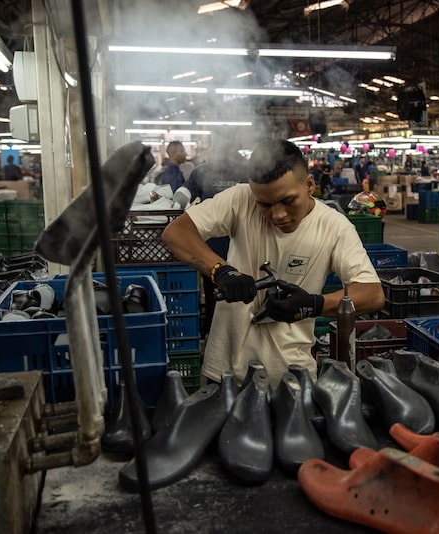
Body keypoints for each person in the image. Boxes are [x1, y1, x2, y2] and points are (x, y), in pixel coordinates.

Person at [162, 139, 384, 387]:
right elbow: (175, 233)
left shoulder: (335, 227)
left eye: (288, 201)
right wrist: (221, 271)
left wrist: (313, 305)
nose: (278, 215)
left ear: (309, 184)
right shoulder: (239, 199)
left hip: (290, 378)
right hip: (223, 374)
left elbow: (372, 294)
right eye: (265, 205)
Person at [184, 142, 249, 337]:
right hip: (237, 246)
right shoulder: (246, 171)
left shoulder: (202, 171)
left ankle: (215, 336)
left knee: (216, 294)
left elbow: (185, 201)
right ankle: (236, 336)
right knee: (243, 294)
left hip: (214, 249)